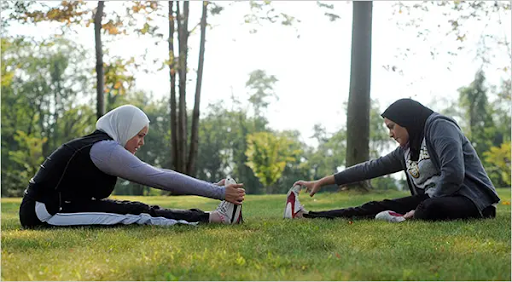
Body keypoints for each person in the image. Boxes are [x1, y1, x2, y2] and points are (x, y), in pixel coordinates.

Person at [19, 105, 245, 228]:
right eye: (139, 135)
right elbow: (159, 177)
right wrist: (218, 192)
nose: (141, 142)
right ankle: (215, 218)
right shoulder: (105, 149)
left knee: (133, 206)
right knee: (137, 214)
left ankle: (211, 216)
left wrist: (212, 187)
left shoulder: (100, 145)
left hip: (62, 206)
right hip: (46, 213)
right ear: (125, 129)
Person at [284, 98, 500, 222]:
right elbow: (371, 168)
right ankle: (309, 216)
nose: (390, 134)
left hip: (470, 200)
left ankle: (409, 216)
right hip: (433, 198)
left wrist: (423, 205)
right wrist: (324, 181)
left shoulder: (440, 127)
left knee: (428, 209)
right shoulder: (406, 149)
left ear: (407, 121)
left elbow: (453, 174)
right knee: (375, 206)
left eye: (391, 127)